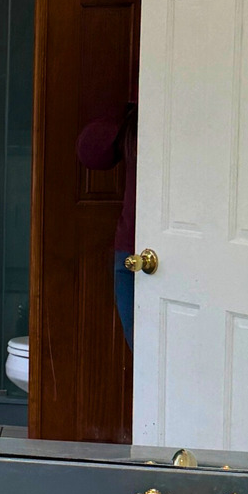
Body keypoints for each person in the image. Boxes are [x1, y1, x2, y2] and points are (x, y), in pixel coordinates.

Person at [75, 104, 138, 347]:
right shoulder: (135, 123)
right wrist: (126, 116)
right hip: (133, 256)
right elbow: (92, 153)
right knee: (147, 359)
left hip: (158, 252)